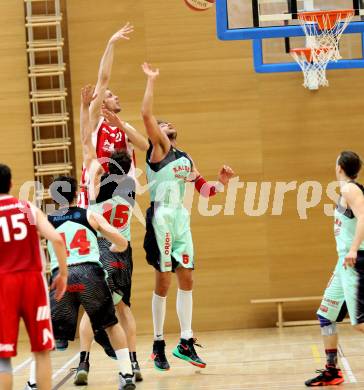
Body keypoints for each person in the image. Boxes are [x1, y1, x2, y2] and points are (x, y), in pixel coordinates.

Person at [141, 63, 235, 371]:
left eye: (167, 124)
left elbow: (203, 189)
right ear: (158, 132)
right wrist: (151, 82)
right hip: (160, 219)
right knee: (164, 281)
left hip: (181, 220)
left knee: (188, 278)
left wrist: (220, 184)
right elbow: (145, 116)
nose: (165, 126)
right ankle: (157, 344)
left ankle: (185, 340)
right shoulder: (157, 150)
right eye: (161, 124)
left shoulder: (185, 157)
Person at [75, 85, 143, 384]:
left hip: (98, 247)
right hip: (122, 251)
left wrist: (83, 108)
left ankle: (83, 362)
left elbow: (85, 143)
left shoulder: (95, 185)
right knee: (124, 308)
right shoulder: (130, 187)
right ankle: (133, 362)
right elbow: (132, 150)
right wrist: (122, 132)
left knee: (93, 309)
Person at [46, 175, 136, 390]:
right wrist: (117, 248)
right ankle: (127, 374)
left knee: (46, 333)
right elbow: (120, 240)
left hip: (63, 276)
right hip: (90, 273)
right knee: (112, 325)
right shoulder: (90, 215)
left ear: (53, 196)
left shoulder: (47, 219)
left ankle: (34, 380)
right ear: (76, 193)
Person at [0, 163, 68, 390]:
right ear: (10, 183)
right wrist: (63, 274)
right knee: (41, 351)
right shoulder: (27, 208)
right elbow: (57, 239)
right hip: (32, 281)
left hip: (3, 284)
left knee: (3, 357)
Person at [305, 151, 364, 387]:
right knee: (326, 314)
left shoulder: (350, 189)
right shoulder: (346, 190)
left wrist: (353, 249)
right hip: (343, 263)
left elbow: (363, 217)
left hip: (355, 260)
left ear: (339, 166)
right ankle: (332, 371)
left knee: (360, 323)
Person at [78, 22, 148, 208]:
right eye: (110, 95)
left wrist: (122, 126)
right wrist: (111, 44)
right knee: (98, 235)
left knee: (116, 235)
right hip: (97, 186)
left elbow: (144, 145)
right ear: (101, 103)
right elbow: (103, 79)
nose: (116, 97)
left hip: (123, 189)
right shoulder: (95, 121)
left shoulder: (124, 127)